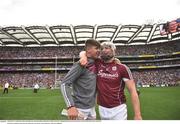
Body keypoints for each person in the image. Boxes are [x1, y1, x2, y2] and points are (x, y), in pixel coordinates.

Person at [80, 41, 142, 120]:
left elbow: (133, 91)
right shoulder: (97, 63)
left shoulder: (122, 68)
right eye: (102, 49)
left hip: (118, 109)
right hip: (102, 108)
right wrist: (83, 57)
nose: (104, 50)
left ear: (114, 51)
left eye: (107, 48)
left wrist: (137, 114)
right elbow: (84, 52)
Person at [60, 39, 101, 120]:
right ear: (88, 50)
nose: (99, 51)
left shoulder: (96, 62)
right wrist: (70, 106)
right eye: (96, 48)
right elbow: (64, 84)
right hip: (79, 109)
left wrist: (83, 55)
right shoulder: (80, 64)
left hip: (92, 108)